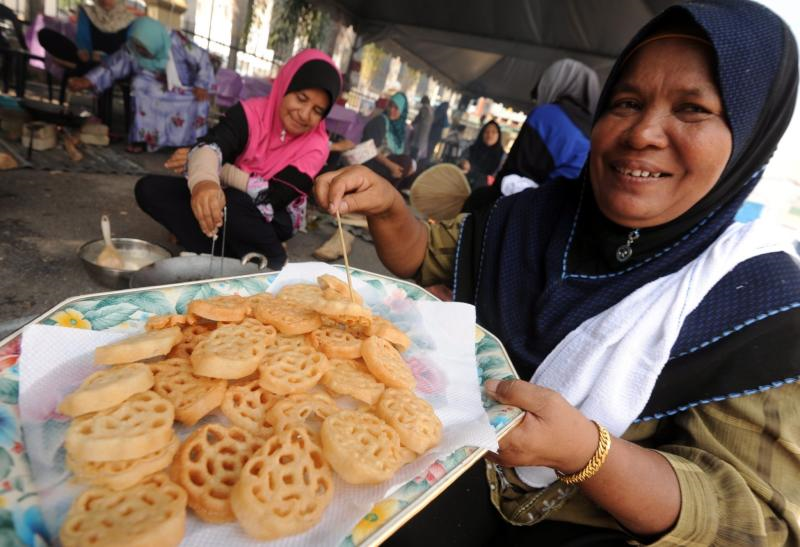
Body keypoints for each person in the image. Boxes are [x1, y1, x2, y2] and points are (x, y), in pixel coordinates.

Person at [314, 1, 800, 544]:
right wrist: (389, 210)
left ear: (753, 134)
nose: (643, 132)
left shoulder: (760, 305)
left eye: (692, 109)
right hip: (426, 475)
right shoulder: (534, 215)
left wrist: (588, 454)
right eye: (628, 101)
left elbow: (759, 520)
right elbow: (426, 258)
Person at [136, 49, 342, 270]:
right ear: (285, 86)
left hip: (274, 216)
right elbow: (213, 144)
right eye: (301, 98)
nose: (304, 114)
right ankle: (234, 254)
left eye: (317, 110)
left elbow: (273, 196)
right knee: (150, 189)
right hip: (230, 201)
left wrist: (216, 169)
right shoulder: (251, 112)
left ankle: (273, 260)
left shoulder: (316, 146)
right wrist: (204, 182)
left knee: (232, 202)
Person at [461, 58, 598, 213]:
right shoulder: (598, 129)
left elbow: (513, 176)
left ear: (554, 83)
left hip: (537, 212)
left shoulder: (548, 116)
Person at [68, 17, 214, 152]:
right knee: (140, 84)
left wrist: (202, 84)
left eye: (144, 47)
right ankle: (143, 140)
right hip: (154, 85)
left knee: (201, 101)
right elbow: (112, 66)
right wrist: (88, 80)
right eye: (139, 47)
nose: (141, 51)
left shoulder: (177, 41)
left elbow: (203, 59)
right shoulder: (133, 47)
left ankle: (192, 144)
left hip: (187, 88)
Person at [360, 91, 414, 187]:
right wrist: (391, 166)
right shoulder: (380, 121)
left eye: (396, 108)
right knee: (406, 162)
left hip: (389, 167)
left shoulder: (401, 131)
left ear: (402, 112)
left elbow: (402, 153)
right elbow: (369, 149)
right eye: (390, 106)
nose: (391, 110)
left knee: (410, 165)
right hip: (373, 164)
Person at [458, 120, 504, 189]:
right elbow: (459, 163)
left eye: (494, 132)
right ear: (482, 133)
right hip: (462, 187)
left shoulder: (502, 156)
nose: (489, 135)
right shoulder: (471, 149)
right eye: (486, 132)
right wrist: (463, 164)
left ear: (499, 135)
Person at [410, 95, 433, 163]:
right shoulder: (431, 109)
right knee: (420, 147)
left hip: (420, 130)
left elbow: (418, 118)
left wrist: (412, 123)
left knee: (415, 146)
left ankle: (412, 161)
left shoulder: (424, 108)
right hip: (426, 130)